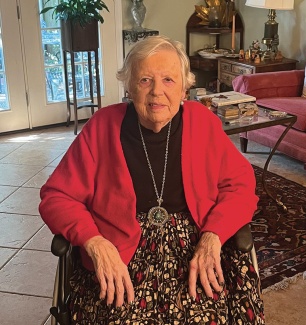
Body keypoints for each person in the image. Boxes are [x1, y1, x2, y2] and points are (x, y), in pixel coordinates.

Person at [39, 35, 265, 324]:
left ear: (185, 88)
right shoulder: (103, 127)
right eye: (145, 80)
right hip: (119, 249)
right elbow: (57, 196)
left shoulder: (203, 123)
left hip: (195, 244)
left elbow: (241, 186)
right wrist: (94, 243)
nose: (157, 91)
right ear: (129, 87)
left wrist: (214, 236)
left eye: (169, 80)